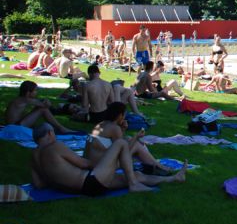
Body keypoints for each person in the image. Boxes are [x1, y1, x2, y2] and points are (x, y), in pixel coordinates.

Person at [31, 123, 185, 197]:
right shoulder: (55, 146)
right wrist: (106, 163)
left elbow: (38, 184)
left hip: (77, 188)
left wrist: (58, 179)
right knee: (121, 143)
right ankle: (134, 186)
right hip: (91, 183)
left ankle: (174, 178)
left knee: (134, 175)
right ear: (50, 133)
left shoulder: (34, 155)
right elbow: (84, 163)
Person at [83, 102, 170, 175]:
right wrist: (136, 136)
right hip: (101, 166)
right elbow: (123, 150)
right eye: (124, 114)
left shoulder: (101, 124)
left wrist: (123, 129)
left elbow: (118, 143)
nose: (124, 117)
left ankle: (152, 164)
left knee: (128, 138)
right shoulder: (114, 128)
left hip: (91, 163)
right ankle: (158, 166)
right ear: (120, 115)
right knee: (136, 144)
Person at [5, 81, 73, 134]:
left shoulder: (20, 99)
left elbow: (39, 103)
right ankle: (60, 128)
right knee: (42, 109)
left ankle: (60, 127)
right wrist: (46, 102)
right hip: (15, 127)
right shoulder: (25, 99)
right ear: (28, 92)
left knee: (40, 108)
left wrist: (43, 102)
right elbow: (46, 105)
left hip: (14, 125)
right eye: (35, 90)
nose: (36, 92)